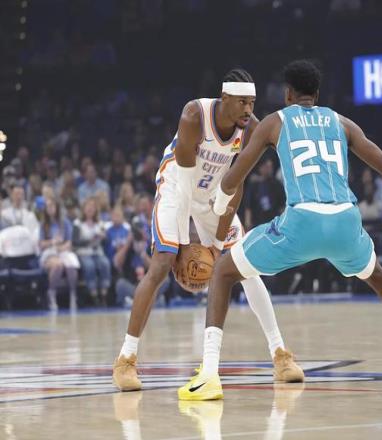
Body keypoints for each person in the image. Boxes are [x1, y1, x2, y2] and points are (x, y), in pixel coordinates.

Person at [178, 60, 382, 400]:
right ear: (317, 95)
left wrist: (219, 206)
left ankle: (209, 374)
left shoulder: (276, 121)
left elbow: (234, 177)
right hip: (345, 221)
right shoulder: (342, 122)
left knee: (223, 271)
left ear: (288, 95)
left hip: (302, 221)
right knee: (379, 276)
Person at [112, 69, 303, 392]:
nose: (248, 110)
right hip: (177, 187)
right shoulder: (194, 115)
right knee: (161, 264)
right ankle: (125, 359)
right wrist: (184, 244)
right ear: (224, 98)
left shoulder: (251, 129)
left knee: (246, 266)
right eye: (242, 102)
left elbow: (236, 185)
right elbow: (186, 186)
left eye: (252, 103)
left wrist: (215, 245)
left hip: (216, 195)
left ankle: (280, 355)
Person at [39, 197, 80, 311]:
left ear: (57, 207)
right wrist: (52, 242)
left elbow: (69, 242)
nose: (50, 208)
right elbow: (41, 244)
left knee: (71, 266)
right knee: (58, 265)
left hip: (63, 250)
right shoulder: (43, 224)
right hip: (49, 251)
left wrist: (62, 247)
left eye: (52, 206)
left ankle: (73, 295)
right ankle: (51, 294)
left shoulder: (65, 222)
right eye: (48, 206)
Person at [73, 196, 112, 305]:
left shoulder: (100, 223)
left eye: (92, 207)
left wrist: (104, 238)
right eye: (88, 206)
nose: (90, 209)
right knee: (89, 266)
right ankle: (93, 295)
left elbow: (106, 242)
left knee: (105, 264)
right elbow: (75, 242)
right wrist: (91, 239)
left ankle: (104, 294)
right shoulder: (78, 223)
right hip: (84, 252)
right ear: (83, 209)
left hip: (97, 252)